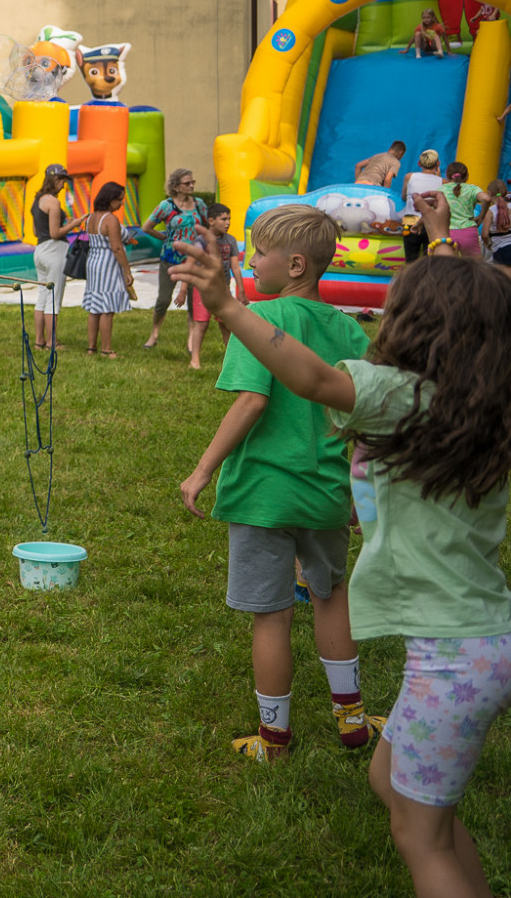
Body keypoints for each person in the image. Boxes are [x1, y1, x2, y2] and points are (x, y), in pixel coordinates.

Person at [175, 247, 511, 898]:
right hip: (480, 640)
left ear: (417, 321)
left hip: (453, 658)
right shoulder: (482, 403)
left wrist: (229, 307)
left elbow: (312, 380)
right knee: (389, 783)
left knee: (422, 837)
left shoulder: (399, 396)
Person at [177, 205, 376, 763]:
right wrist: (360, 491)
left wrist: (202, 469)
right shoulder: (348, 329)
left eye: (258, 252)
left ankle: (275, 741)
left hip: (265, 495)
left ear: (292, 265)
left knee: (273, 615)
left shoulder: (260, 323)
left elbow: (252, 400)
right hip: (329, 494)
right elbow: (363, 416)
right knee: (331, 596)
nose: (250, 260)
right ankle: (352, 720)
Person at [177, 202, 243, 370]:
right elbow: (189, 265)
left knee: (226, 324)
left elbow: (235, 266)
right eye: (224, 219)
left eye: (229, 219)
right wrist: (183, 290)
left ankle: (232, 359)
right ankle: (195, 359)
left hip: (223, 289)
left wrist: (241, 290)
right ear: (211, 221)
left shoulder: (231, 241)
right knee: (201, 324)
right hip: (203, 290)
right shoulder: (200, 242)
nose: (228, 222)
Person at [141, 168, 201, 350]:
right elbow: (147, 227)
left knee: (193, 302)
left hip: (194, 259)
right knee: (163, 300)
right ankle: (154, 334)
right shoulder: (166, 206)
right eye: (187, 183)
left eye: (193, 182)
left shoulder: (199, 204)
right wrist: (167, 238)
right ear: (176, 187)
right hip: (170, 258)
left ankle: (192, 340)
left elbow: (206, 226)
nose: (191, 186)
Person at [81, 181, 136, 356]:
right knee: (107, 308)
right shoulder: (110, 219)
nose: (121, 203)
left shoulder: (91, 217)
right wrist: (127, 271)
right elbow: (117, 248)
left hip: (93, 261)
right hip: (108, 264)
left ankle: (91, 347)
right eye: (119, 199)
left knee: (94, 307)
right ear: (110, 199)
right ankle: (106, 349)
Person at [29, 164, 73, 350]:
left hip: (40, 250)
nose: (63, 185)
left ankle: (39, 341)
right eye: (62, 180)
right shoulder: (53, 202)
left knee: (42, 297)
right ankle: (52, 342)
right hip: (54, 251)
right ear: (55, 179)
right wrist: (75, 223)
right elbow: (55, 233)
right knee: (53, 299)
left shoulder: (37, 200)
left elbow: (34, 230)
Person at [441, 160, 485, 258]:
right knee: (475, 268)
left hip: (448, 233)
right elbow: (486, 198)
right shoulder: (472, 189)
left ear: (447, 176)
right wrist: (481, 216)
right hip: (468, 231)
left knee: (448, 268)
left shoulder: (441, 190)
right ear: (466, 176)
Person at [481, 180, 511, 267]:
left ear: (489, 193)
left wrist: (488, 245)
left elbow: (484, 235)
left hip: (499, 250)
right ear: (506, 192)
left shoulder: (490, 212)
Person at [402, 150, 442, 216]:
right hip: (430, 221)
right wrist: (439, 177)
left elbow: (404, 197)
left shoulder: (409, 177)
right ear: (438, 164)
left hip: (410, 219)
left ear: (419, 163)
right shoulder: (443, 182)